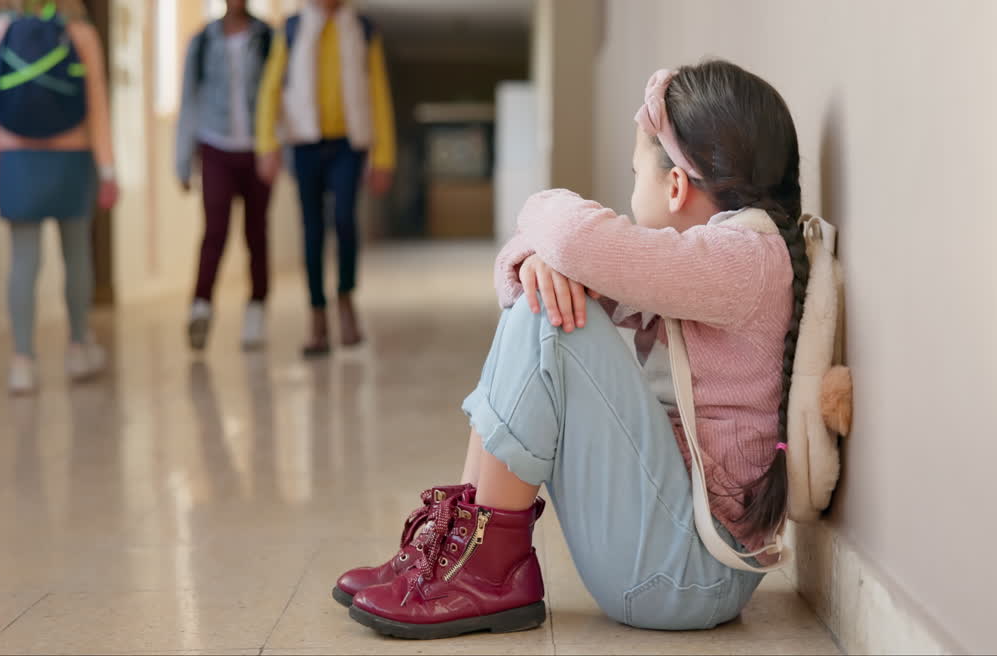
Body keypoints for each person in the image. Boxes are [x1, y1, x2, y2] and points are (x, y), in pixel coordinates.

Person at [332, 60, 810, 639]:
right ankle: (460, 544)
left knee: (551, 313)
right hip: (677, 560)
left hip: (690, 576)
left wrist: (540, 228)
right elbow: (527, 280)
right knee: (544, 300)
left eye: (635, 171)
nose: (631, 187)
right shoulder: (703, 260)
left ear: (676, 185)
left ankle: (485, 565)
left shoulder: (743, 259)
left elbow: (573, 240)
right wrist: (537, 263)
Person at [0, 0, 119, 395]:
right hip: (72, 157)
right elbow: (96, 104)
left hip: (16, 158)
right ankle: (78, 347)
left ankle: (22, 360)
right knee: (76, 253)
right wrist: (109, 169)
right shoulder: (79, 31)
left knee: (23, 260)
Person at [255, 0, 396, 357]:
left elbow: (378, 94)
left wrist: (383, 156)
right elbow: (269, 90)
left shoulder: (363, 29)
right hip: (305, 143)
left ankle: (346, 301)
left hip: (349, 145)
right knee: (312, 228)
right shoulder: (292, 28)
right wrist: (267, 144)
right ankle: (316, 314)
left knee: (345, 222)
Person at [176, 0, 273, 352]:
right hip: (214, 147)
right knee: (214, 230)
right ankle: (200, 307)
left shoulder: (269, 39)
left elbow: (278, 100)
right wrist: (182, 159)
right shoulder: (200, 43)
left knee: (256, 234)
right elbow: (188, 103)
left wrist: (275, 148)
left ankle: (256, 311)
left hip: (258, 150)